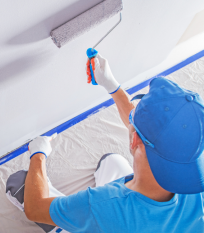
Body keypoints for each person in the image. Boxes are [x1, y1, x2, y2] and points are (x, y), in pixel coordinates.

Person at [23, 54, 204, 232]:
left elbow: (34, 209)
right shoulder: (194, 172)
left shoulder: (102, 205)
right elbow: (148, 130)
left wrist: (38, 153)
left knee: (19, 183)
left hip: (112, 222)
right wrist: (112, 86)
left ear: (134, 141)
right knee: (111, 162)